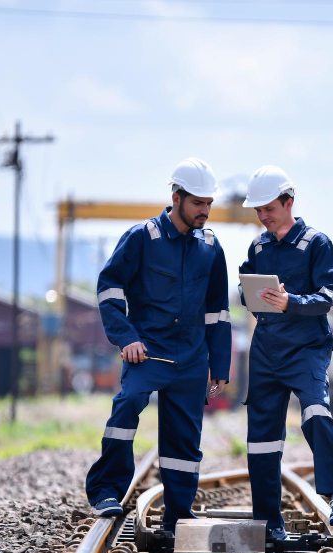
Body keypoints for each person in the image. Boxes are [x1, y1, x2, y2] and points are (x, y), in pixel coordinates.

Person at [85, 158, 231, 531]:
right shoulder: (141, 238)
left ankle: (178, 512)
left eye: (209, 203)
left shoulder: (211, 248)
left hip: (192, 358)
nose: (205, 211)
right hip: (148, 350)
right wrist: (127, 337)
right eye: (198, 203)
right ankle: (105, 491)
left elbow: (218, 312)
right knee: (127, 407)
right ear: (176, 197)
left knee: (186, 438)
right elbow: (109, 289)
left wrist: (221, 365)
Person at [238, 165, 333, 541]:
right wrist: (251, 295)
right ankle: (268, 521)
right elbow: (245, 290)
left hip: (306, 348)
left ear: (289, 202)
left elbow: (329, 296)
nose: (262, 216)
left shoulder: (317, 243)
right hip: (267, 349)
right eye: (258, 210)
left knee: (316, 412)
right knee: (262, 436)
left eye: (268, 208)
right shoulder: (258, 246)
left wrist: (290, 302)